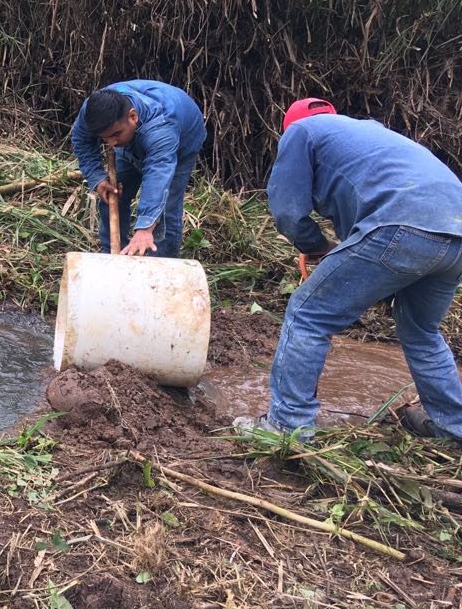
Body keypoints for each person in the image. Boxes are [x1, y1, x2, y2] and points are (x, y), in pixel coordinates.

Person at [237, 98, 462, 441]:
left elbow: (287, 210)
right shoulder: (369, 135)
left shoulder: (299, 132)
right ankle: (453, 428)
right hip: (455, 234)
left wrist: (313, 246)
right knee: (421, 331)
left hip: (401, 223)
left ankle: (287, 426)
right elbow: (359, 229)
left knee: (307, 313)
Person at [71, 80, 206, 257]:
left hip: (182, 140)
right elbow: (82, 139)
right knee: (113, 194)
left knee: (165, 210)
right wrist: (97, 178)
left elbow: (158, 175)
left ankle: (159, 269)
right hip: (133, 140)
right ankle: (112, 258)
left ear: (133, 116)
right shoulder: (93, 110)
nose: (111, 143)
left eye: (115, 135)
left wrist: (145, 227)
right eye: (104, 138)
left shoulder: (161, 130)